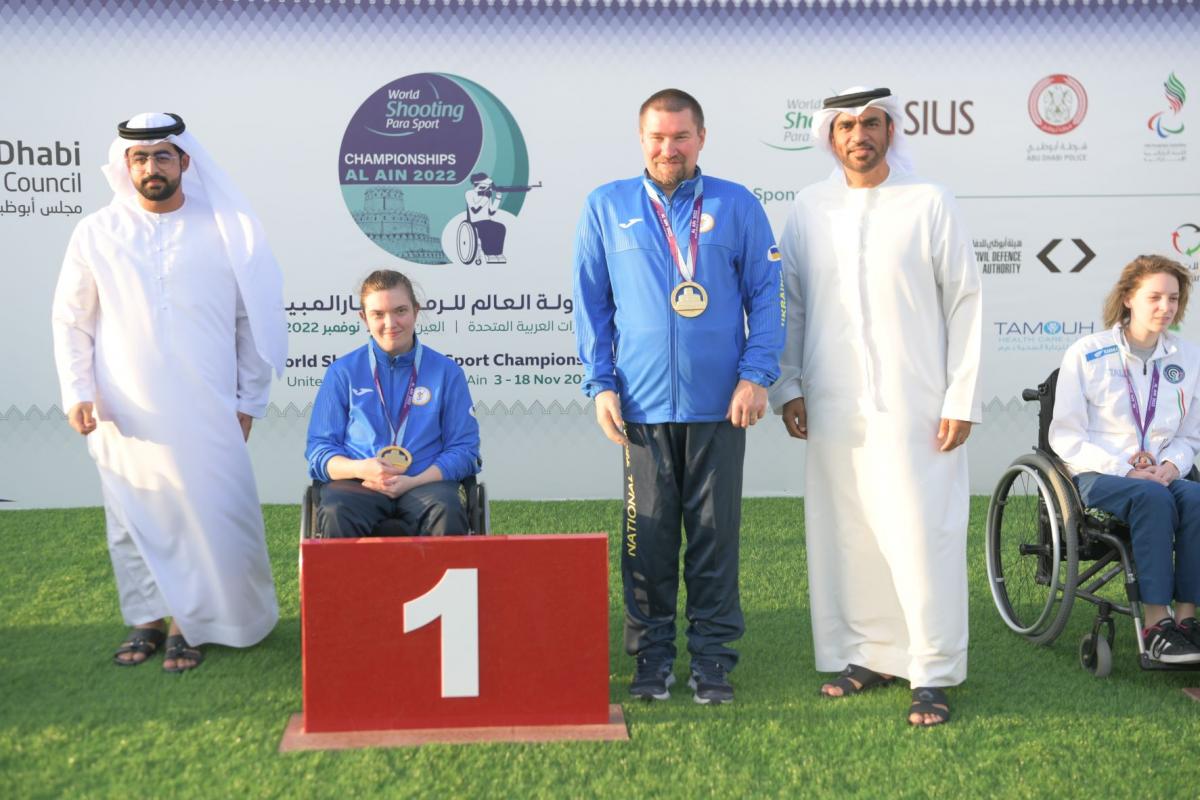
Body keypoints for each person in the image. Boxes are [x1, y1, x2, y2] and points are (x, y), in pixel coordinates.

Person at [768, 87, 982, 726]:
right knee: (850, 532)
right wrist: (788, 386)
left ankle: (932, 671)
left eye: (871, 123)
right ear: (829, 137)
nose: (858, 134)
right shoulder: (809, 208)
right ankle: (868, 655)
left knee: (920, 535)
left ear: (891, 130)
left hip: (918, 404)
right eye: (846, 126)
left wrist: (961, 395)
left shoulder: (929, 202)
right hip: (834, 404)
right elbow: (792, 306)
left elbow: (964, 301)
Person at [51, 112, 287, 672]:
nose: (151, 167)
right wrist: (77, 389)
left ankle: (194, 622)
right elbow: (71, 320)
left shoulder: (223, 228)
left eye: (162, 156)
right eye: (140, 157)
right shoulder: (96, 232)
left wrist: (249, 400)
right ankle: (148, 620)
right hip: (123, 406)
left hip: (207, 404)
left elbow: (250, 321)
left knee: (210, 513)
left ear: (184, 161)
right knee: (133, 516)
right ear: (124, 165)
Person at [573, 88, 785, 705]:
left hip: (720, 406)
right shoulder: (606, 207)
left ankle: (713, 661)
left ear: (702, 137)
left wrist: (756, 375)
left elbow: (767, 296)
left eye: (681, 136)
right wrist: (601, 383)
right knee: (648, 538)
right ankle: (652, 661)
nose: (670, 148)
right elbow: (592, 305)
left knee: (716, 539)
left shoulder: (737, 205)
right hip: (639, 409)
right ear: (642, 140)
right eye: (658, 137)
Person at [1049, 255, 1200, 664]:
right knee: (1153, 499)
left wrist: (1171, 465)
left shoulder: (1187, 357)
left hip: (1161, 474)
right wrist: (1128, 468)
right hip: (1101, 474)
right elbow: (1066, 436)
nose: (1165, 307)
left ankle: (1187, 621)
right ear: (1129, 298)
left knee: (1195, 497)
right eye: (1154, 297)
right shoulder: (1088, 353)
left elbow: (1189, 435)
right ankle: (1156, 625)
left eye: (1173, 298)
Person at [305, 270, 480, 537]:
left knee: (447, 508)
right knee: (335, 510)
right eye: (378, 314)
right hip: (359, 484)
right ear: (364, 318)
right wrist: (360, 468)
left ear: (416, 312)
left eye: (400, 310)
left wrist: (415, 481)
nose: (391, 323)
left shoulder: (447, 373)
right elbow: (319, 450)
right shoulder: (342, 372)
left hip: (426, 484)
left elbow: (464, 450)